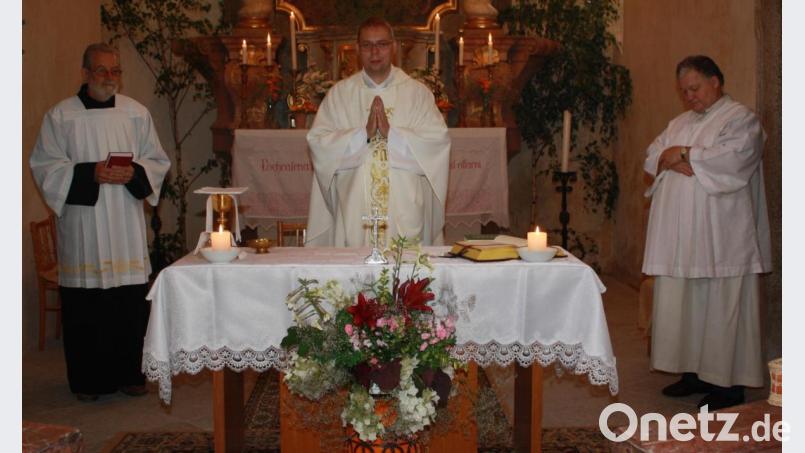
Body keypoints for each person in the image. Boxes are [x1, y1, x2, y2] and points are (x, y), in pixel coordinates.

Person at [30, 43, 171, 401]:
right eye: (102, 70)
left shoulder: (135, 113)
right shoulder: (60, 116)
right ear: (85, 73)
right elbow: (46, 166)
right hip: (84, 225)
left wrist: (134, 173)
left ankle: (131, 374)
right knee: (87, 305)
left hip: (124, 221)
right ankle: (89, 381)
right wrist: (90, 173)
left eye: (115, 71)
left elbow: (156, 162)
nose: (110, 78)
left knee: (127, 301)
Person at [642, 55, 771, 410]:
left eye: (695, 88)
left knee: (721, 304)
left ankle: (728, 385)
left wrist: (682, 153)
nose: (689, 97)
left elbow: (733, 158)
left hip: (721, 235)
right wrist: (674, 155)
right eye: (684, 91)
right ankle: (693, 373)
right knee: (687, 303)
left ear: (716, 81)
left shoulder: (740, 119)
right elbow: (653, 155)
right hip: (680, 238)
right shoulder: (680, 121)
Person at [306, 17, 450, 247]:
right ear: (357, 49)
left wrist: (391, 135)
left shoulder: (417, 94)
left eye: (382, 44)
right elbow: (318, 144)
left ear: (393, 47)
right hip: (354, 209)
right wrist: (362, 135)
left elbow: (437, 143)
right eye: (367, 45)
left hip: (404, 209)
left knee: (405, 276)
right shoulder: (340, 94)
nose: (375, 51)